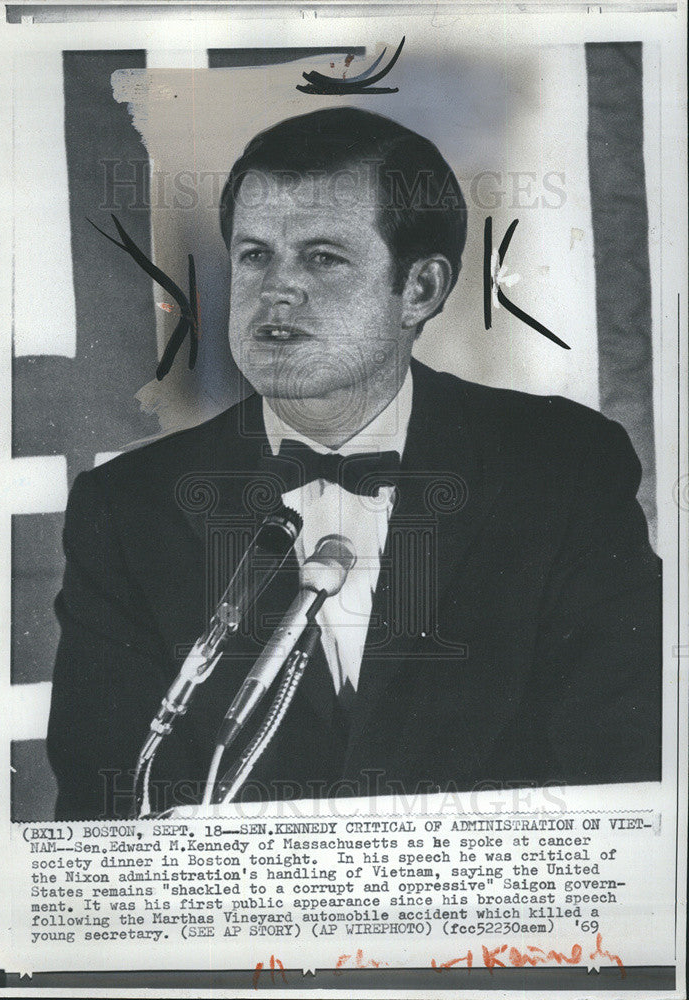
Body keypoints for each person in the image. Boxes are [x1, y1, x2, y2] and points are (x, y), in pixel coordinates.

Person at [47, 107, 661, 820]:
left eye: (322, 257)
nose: (278, 289)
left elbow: (627, 770)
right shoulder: (126, 507)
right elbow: (102, 808)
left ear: (420, 290)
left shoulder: (561, 467)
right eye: (254, 255)